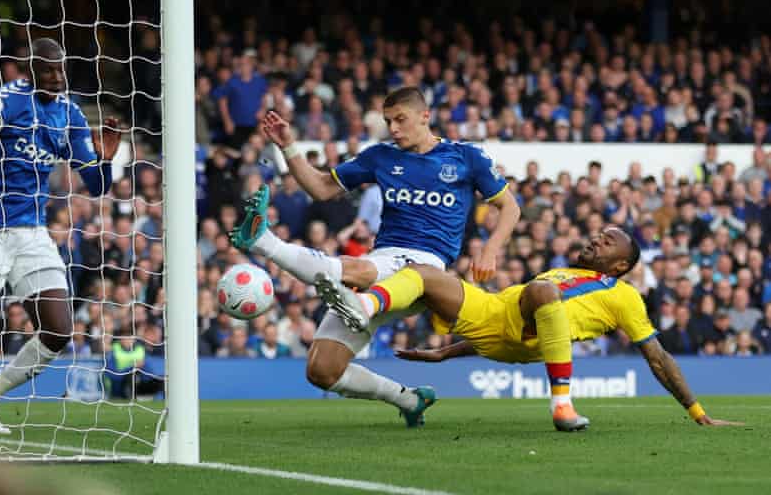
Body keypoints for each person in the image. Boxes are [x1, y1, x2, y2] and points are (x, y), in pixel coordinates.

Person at [231, 86, 520, 427]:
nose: (394, 129)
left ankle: (263, 241)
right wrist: (289, 146)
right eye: (388, 121)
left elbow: (509, 206)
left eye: (401, 120)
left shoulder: (466, 157)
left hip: (425, 269)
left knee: (359, 271)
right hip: (385, 259)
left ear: (425, 116)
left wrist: (489, 250)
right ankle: (408, 399)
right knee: (322, 370)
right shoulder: (381, 156)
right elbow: (322, 188)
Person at [318, 227, 741, 430]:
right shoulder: (563, 270)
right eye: (598, 235)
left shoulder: (625, 296)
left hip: (532, 336)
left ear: (621, 266)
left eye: (608, 242)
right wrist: (445, 353)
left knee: (541, 292)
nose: (596, 239)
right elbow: (502, 329)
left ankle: (562, 406)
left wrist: (698, 412)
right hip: (491, 317)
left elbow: (658, 357)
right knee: (424, 272)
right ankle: (364, 302)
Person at [0, 38, 121, 434]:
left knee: (59, 331)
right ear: (31, 70)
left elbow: (96, 185)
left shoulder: (70, 114)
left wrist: (105, 160)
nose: (58, 76)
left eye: (62, 68)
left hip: (32, 232)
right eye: (49, 69)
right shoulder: (7, 99)